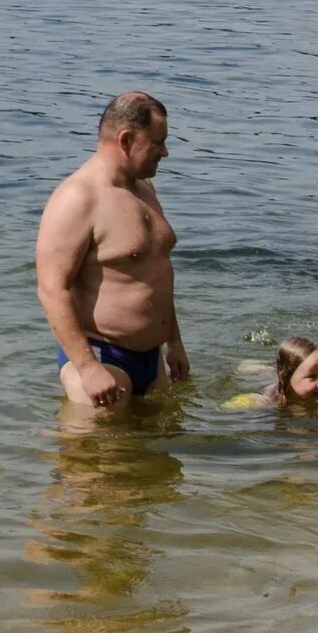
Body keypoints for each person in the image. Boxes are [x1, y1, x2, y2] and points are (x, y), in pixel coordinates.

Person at [35, 91, 190, 411]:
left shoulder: (144, 190)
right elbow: (52, 289)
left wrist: (174, 342)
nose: (165, 151)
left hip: (153, 359)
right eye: (158, 142)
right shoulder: (77, 198)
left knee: (161, 456)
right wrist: (88, 369)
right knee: (96, 457)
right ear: (126, 139)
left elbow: (157, 273)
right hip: (102, 357)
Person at [225, 338, 318, 408]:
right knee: (266, 373)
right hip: (276, 384)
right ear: (285, 378)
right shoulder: (271, 400)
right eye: (312, 376)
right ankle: (255, 368)